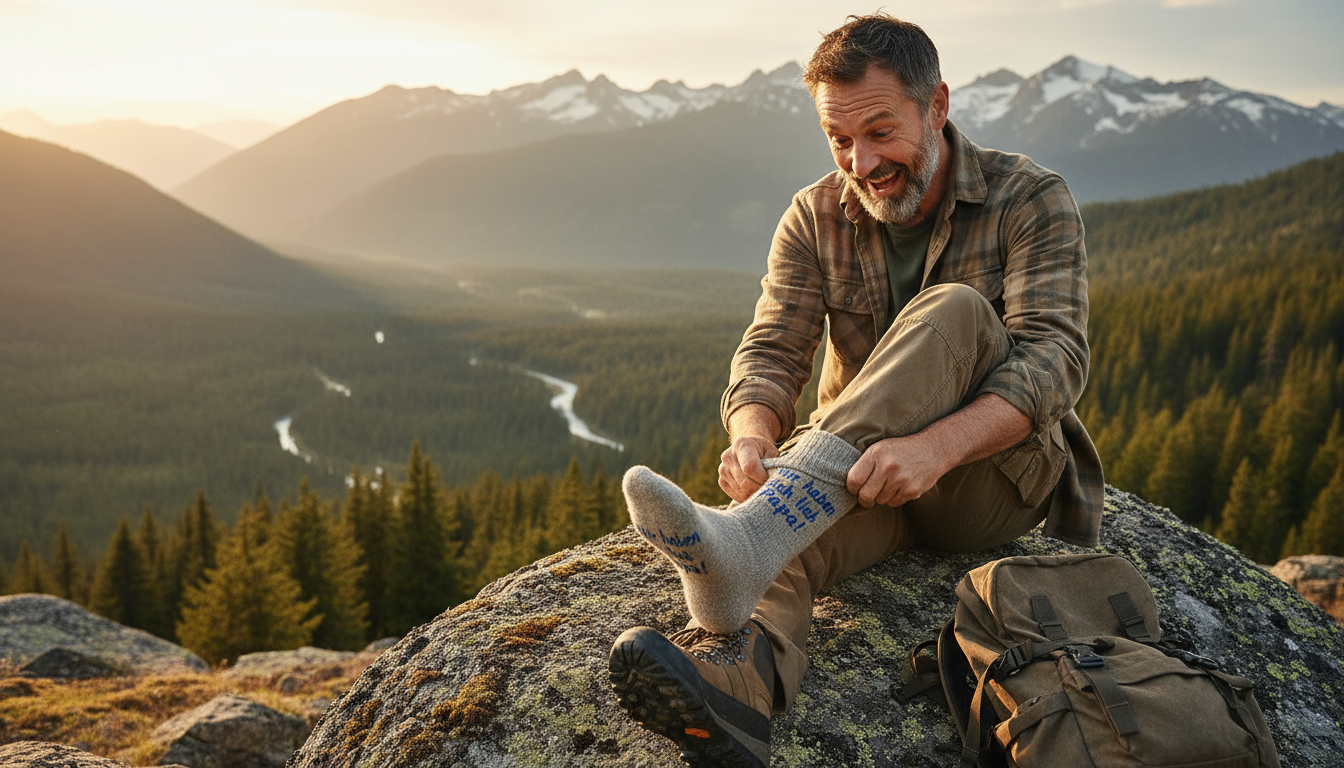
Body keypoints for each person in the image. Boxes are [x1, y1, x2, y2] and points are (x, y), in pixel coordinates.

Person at [608, 13, 1104, 768]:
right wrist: (752, 436)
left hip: (988, 481)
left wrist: (934, 448)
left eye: (880, 132)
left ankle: (757, 527)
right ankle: (740, 689)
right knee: (779, 529)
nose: (861, 161)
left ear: (936, 106)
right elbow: (773, 350)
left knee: (957, 309)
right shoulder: (815, 215)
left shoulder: (1028, 198)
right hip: (860, 478)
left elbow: (1055, 360)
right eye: (839, 139)